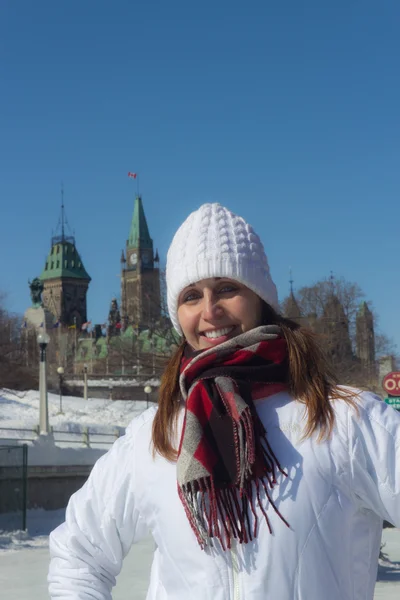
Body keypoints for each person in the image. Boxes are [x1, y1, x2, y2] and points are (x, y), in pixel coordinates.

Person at [48, 203, 400, 600]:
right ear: (177, 312)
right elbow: (78, 555)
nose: (210, 311)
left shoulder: (346, 420)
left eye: (228, 288)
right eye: (192, 296)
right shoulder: (155, 434)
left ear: (260, 297)